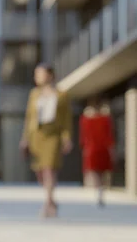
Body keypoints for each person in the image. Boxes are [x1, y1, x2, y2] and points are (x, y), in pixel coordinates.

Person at [20, 63, 73, 218]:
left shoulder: (62, 95)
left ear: (50, 75)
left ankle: (48, 203)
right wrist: (25, 139)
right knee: (40, 171)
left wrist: (67, 138)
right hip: (37, 135)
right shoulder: (34, 94)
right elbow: (29, 118)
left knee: (49, 168)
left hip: (53, 136)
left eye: (40, 74)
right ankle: (51, 198)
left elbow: (66, 119)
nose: (37, 77)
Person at [79, 97, 115, 208]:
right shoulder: (105, 119)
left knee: (95, 172)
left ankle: (97, 191)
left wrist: (84, 148)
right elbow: (109, 135)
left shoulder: (85, 119)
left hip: (92, 148)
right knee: (102, 173)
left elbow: (83, 137)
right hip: (103, 148)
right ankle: (100, 191)